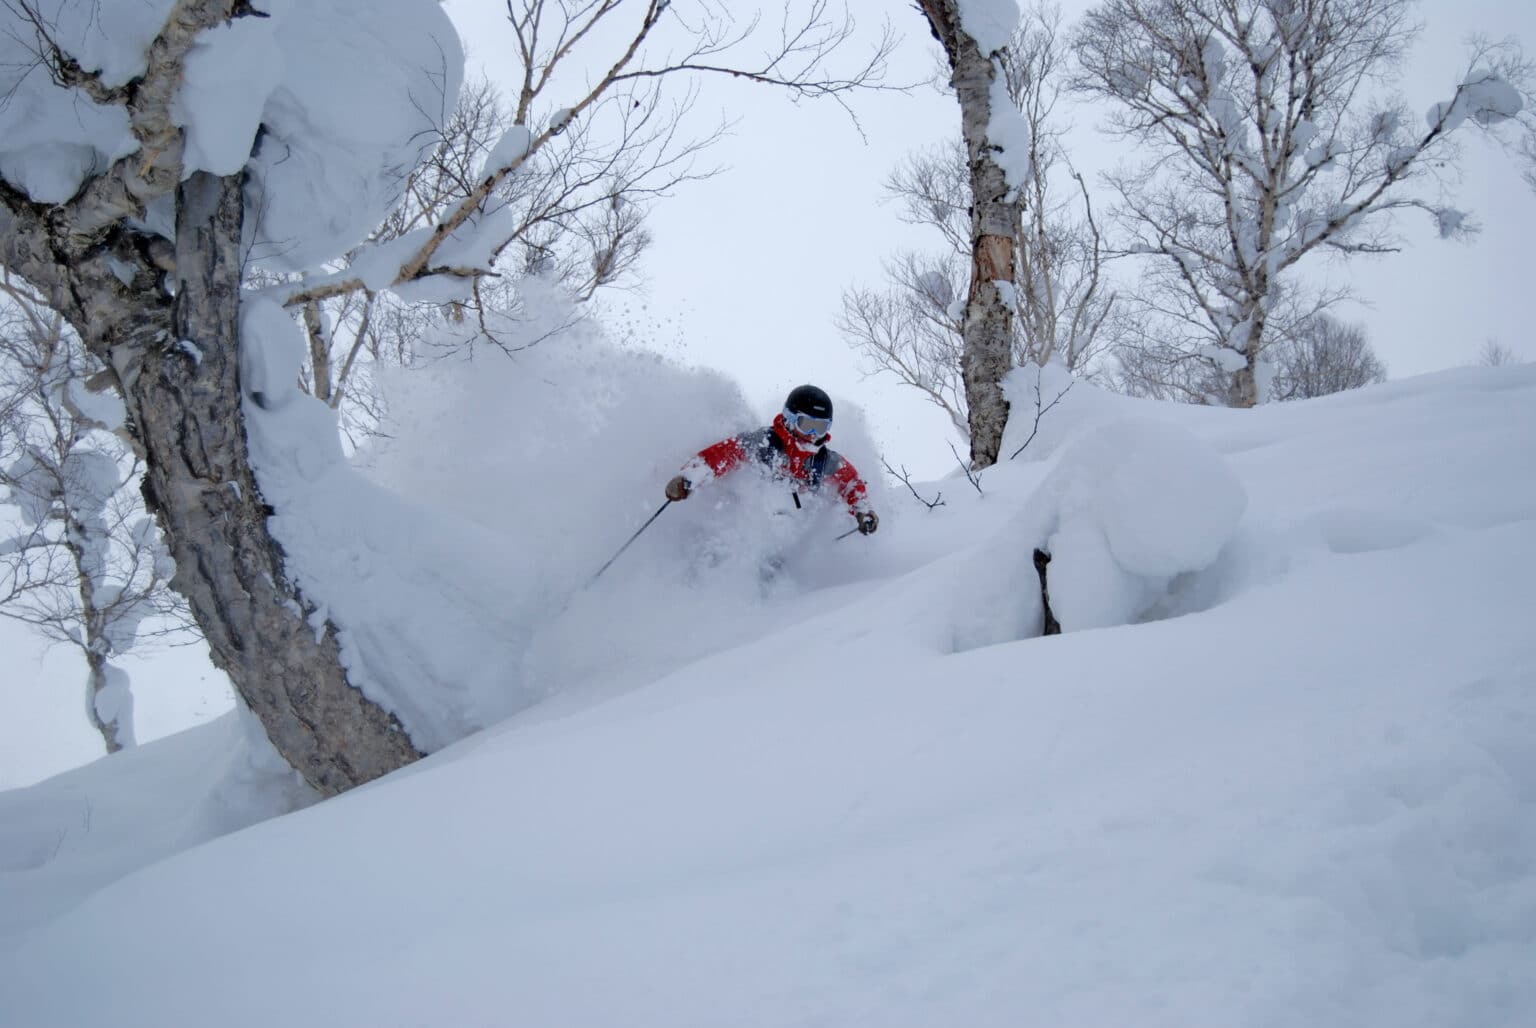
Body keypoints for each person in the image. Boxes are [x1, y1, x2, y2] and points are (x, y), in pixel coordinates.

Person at [665, 384, 879, 535]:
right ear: (790, 418)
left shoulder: (824, 461)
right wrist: (688, 478)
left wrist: (863, 511)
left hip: (789, 537)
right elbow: (723, 455)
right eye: (806, 424)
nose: (813, 433)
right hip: (747, 526)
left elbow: (851, 482)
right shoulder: (764, 444)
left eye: (821, 427)